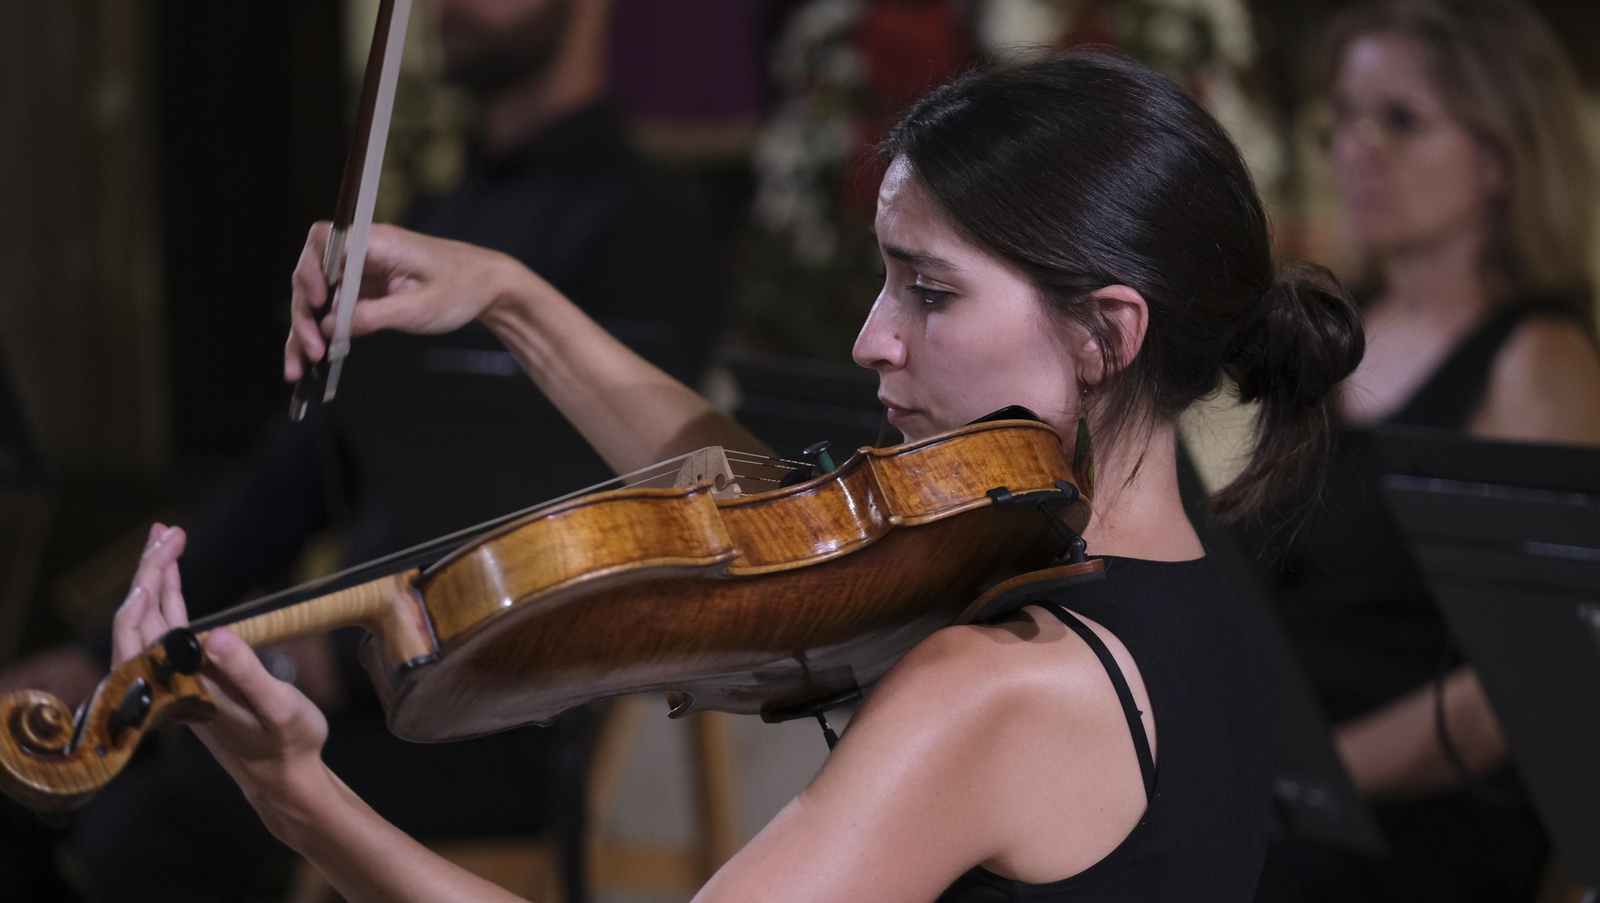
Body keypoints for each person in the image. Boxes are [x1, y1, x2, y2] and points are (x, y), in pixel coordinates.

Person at [113, 48, 1365, 901]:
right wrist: (509, 298)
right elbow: (767, 512)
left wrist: (298, 800)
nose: (873, 337)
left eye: (928, 292)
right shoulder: (1176, 586)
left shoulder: (994, 689)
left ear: (1106, 333)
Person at [0, 0, 727, 899]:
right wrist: (94, 645)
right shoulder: (442, 215)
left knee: (160, 822)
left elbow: (592, 520)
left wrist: (325, 662)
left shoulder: (646, 232)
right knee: (34, 786)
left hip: (500, 714)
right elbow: (291, 474)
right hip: (356, 686)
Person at [1244, 1, 1600, 900]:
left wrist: (1309, 782)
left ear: (1498, 153)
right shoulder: (1335, 329)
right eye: (1346, 120)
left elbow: (1523, 685)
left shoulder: (1541, 358)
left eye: (1399, 119)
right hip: (1281, 786)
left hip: (1411, 825)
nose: (1358, 147)